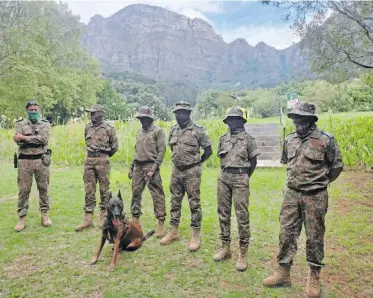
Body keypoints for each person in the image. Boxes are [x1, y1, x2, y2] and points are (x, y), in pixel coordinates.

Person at [263, 102, 343, 297]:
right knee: (286, 233)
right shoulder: (289, 140)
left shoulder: (325, 140)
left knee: (315, 236)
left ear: (310, 119)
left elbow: (337, 166)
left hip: (315, 196)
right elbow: (287, 163)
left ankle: (314, 276)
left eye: (301, 117)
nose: (297, 121)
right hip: (291, 194)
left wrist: (320, 183)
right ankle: (283, 272)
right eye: (294, 117)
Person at [160, 101, 212, 251]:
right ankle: (173, 231)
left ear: (188, 113)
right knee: (175, 201)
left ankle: (196, 234)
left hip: (192, 172)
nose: (178, 115)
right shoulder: (173, 130)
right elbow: (172, 148)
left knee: (194, 203)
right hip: (176, 171)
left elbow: (208, 151)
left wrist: (196, 163)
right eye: (176, 112)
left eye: (182, 112)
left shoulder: (198, 130)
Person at [213, 107, 259, 271]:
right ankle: (225, 248)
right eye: (230, 119)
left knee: (242, 215)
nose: (233, 122)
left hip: (241, 178)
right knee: (223, 213)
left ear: (241, 121)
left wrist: (244, 176)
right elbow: (221, 158)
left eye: (236, 119)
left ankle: (243, 252)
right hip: (224, 177)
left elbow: (253, 162)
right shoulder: (223, 138)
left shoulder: (248, 139)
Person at [75, 104, 118, 231]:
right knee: (89, 189)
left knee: (104, 189)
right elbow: (86, 141)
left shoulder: (109, 128)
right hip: (89, 160)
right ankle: (88, 218)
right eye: (90, 113)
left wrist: (104, 155)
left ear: (101, 114)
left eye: (94, 113)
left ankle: (103, 215)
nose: (91, 115)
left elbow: (114, 146)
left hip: (102, 160)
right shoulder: (87, 127)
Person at [13, 101, 52, 232]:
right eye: (31, 109)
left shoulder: (45, 124)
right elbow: (17, 139)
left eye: (36, 109)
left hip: (41, 160)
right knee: (24, 191)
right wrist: (29, 139)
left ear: (39, 110)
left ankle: (45, 215)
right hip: (24, 162)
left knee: (44, 188)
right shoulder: (20, 124)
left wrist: (24, 138)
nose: (34, 111)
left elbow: (43, 139)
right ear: (27, 111)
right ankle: (22, 218)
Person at [128, 106, 167, 238]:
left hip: (151, 167)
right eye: (141, 118)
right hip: (138, 167)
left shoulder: (158, 131)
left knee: (157, 195)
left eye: (145, 118)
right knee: (135, 194)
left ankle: (160, 223)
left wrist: (154, 169)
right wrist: (131, 167)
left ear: (150, 118)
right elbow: (136, 150)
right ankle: (135, 220)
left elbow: (161, 151)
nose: (143, 121)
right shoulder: (139, 132)